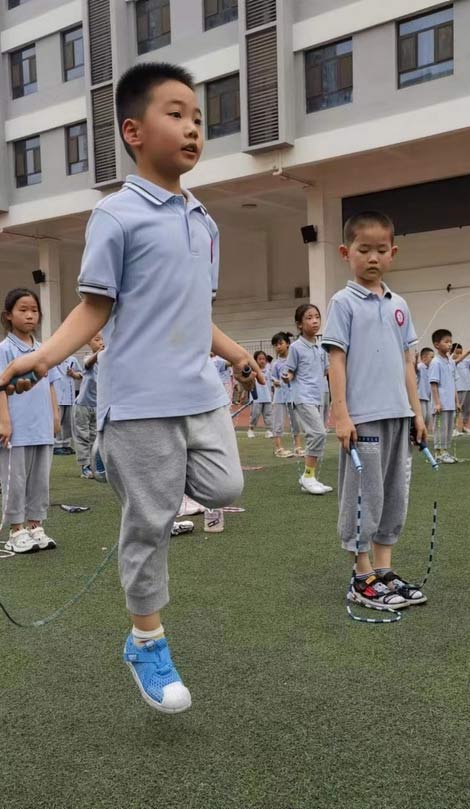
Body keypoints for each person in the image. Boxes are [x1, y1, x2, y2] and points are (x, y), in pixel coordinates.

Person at [0, 62, 263, 714]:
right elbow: (94, 307)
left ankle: (138, 477)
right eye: (176, 113)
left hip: (199, 390)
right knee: (147, 522)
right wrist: (37, 359)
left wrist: (236, 355)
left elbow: (193, 312)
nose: (193, 127)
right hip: (138, 399)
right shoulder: (115, 216)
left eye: (198, 117)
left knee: (225, 486)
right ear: (133, 130)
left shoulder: (204, 222)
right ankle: (146, 640)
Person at [322, 210, 427, 610]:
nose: (373, 258)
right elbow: (336, 360)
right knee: (364, 495)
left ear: (393, 253)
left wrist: (417, 413)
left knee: (394, 494)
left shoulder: (399, 304)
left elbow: (406, 362)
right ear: (346, 252)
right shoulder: (343, 302)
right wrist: (342, 414)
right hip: (363, 418)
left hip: (399, 416)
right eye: (364, 250)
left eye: (381, 250)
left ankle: (384, 571)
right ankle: (361, 575)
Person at [0, 289, 60, 554]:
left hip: (41, 427)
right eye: (23, 310)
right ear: (8, 316)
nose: (29, 315)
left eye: (34, 310)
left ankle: (35, 525)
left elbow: (51, 385)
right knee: (16, 480)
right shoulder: (4, 349)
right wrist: (4, 421)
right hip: (17, 429)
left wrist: (55, 417)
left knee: (40, 480)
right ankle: (16, 529)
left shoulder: (43, 350)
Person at [284, 304, 332, 495]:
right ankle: (308, 476)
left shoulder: (321, 348)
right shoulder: (295, 347)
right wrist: (287, 376)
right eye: (309, 318)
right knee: (318, 433)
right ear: (299, 324)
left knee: (320, 434)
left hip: (319, 396)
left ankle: (310, 476)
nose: (314, 321)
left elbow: (328, 371)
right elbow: (290, 370)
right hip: (302, 396)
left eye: (317, 317)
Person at [73, 333, 104, 480]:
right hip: (83, 405)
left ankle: (94, 466)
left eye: (103, 340)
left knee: (95, 437)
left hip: (98, 406)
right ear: (88, 343)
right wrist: (99, 353)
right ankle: (84, 466)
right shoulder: (88, 358)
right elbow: (88, 363)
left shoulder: (106, 363)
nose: (100, 342)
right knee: (83, 436)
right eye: (97, 340)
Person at [429, 329, 459, 464]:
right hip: (441, 403)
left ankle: (445, 451)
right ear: (436, 344)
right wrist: (436, 403)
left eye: (451, 342)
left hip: (450, 404)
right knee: (440, 429)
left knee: (448, 429)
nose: (450, 344)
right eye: (446, 342)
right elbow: (434, 384)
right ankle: (439, 453)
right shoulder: (436, 362)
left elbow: (453, 383)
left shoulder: (450, 362)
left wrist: (457, 402)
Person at [269, 331, 300, 458]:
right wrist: (275, 382)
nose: (278, 347)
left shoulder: (294, 360)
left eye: (280, 343)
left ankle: (298, 447)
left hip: (293, 396)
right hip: (280, 397)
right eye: (275, 345)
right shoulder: (275, 363)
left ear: (288, 344)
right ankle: (279, 448)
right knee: (278, 422)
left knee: (295, 422)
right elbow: (272, 378)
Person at [53, 354, 82, 455]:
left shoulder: (72, 359)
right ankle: (56, 445)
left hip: (69, 396)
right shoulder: (53, 358)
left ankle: (66, 444)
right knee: (57, 421)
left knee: (68, 422)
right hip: (56, 395)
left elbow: (81, 374)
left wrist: (73, 374)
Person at [452, 343, 470, 435]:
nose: (459, 355)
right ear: (452, 353)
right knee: (457, 408)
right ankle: (454, 428)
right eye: (457, 353)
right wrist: (468, 352)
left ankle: (464, 427)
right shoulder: (451, 361)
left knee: (467, 409)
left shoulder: (466, 361)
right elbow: (458, 360)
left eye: (461, 353)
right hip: (458, 388)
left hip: (468, 387)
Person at [247, 350, 273, 438]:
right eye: (260, 359)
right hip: (256, 398)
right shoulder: (252, 372)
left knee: (268, 414)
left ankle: (269, 430)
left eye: (264, 359)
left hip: (267, 397)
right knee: (255, 414)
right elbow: (248, 383)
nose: (262, 361)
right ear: (255, 360)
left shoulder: (269, 371)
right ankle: (251, 429)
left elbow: (272, 383)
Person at [416, 347, 434, 434]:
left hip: (428, 398)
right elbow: (415, 368)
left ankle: (424, 435)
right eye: (432, 357)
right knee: (422, 418)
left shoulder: (430, 369)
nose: (433, 360)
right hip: (420, 397)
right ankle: (417, 436)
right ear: (424, 357)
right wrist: (416, 359)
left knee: (428, 418)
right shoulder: (420, 366)